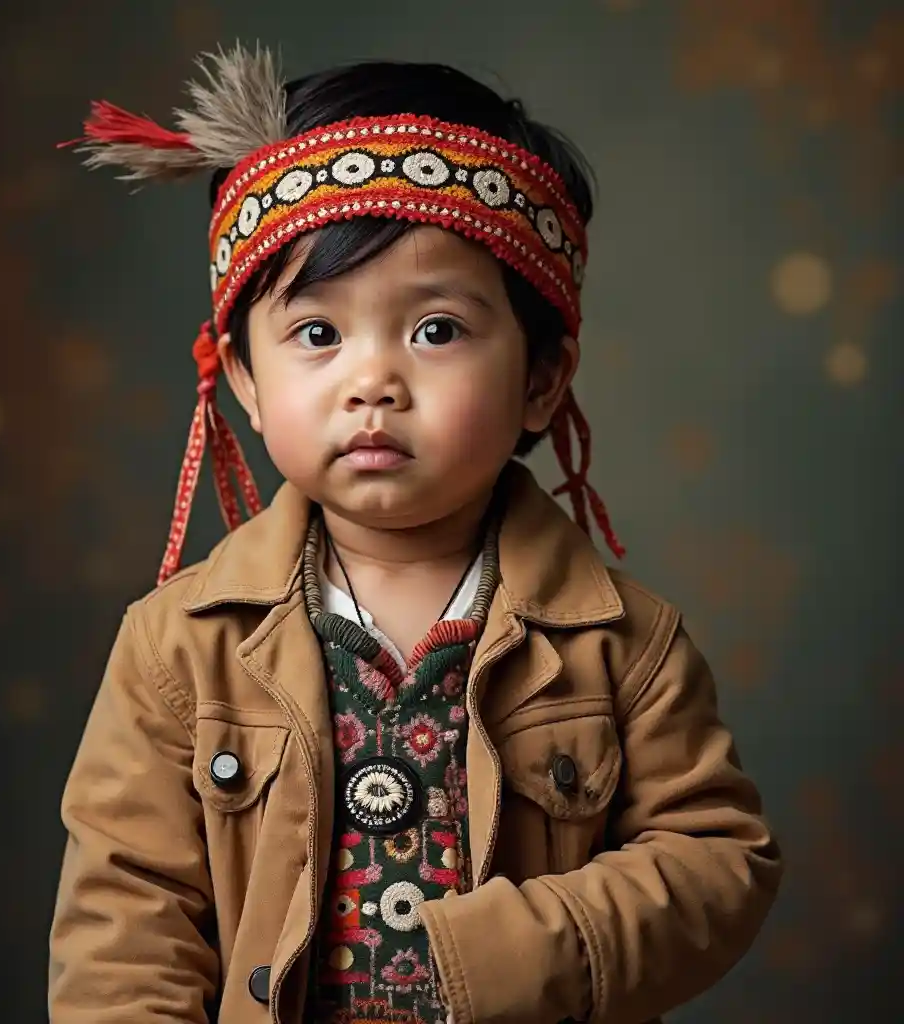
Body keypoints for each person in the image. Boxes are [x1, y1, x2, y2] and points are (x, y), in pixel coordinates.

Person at [49, 44, 782, 1024]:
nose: (373, 382)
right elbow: (124, 926)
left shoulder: (621, 646)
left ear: (540, 380)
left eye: (436, 329)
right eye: (318, 334)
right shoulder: (179, 647)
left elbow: (716, 862)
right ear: (245, 380)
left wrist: (526, 950)